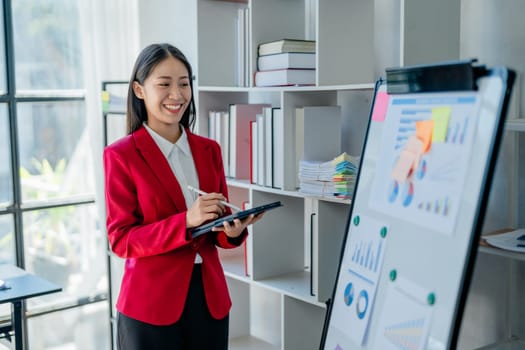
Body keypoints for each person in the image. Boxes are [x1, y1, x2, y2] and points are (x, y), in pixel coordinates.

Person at [103, 43, 262, 349]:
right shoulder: (121, 155)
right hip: (150, 306)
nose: (177, 95)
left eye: (184, 83)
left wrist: (233, 231)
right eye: (164, 84)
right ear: (139, 90)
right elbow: (121, 240)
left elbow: (217, 229)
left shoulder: (209, 150)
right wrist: (186, 221)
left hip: (209, 301)